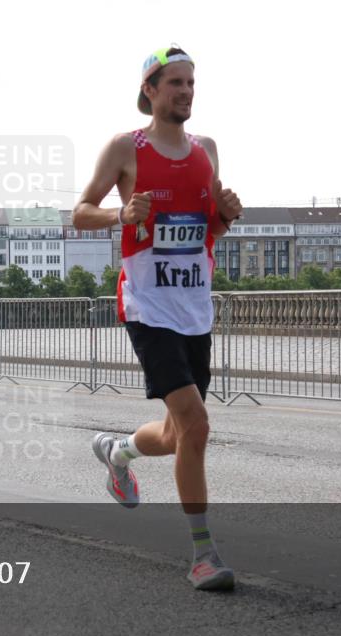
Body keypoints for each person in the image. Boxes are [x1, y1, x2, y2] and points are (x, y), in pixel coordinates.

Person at [73, 46, 242, 591]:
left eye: (191, 83)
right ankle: (202, 555)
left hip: (194, 307)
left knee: (176, 436)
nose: (186, 92)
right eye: (175, 83)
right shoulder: (127, 147)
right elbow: (79, 213)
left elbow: (208, 233)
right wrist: (120, 213)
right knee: (197, 425)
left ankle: (116, 451)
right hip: (147, 306)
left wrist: (226, 216)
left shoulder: (207, 149)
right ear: (150, 89)